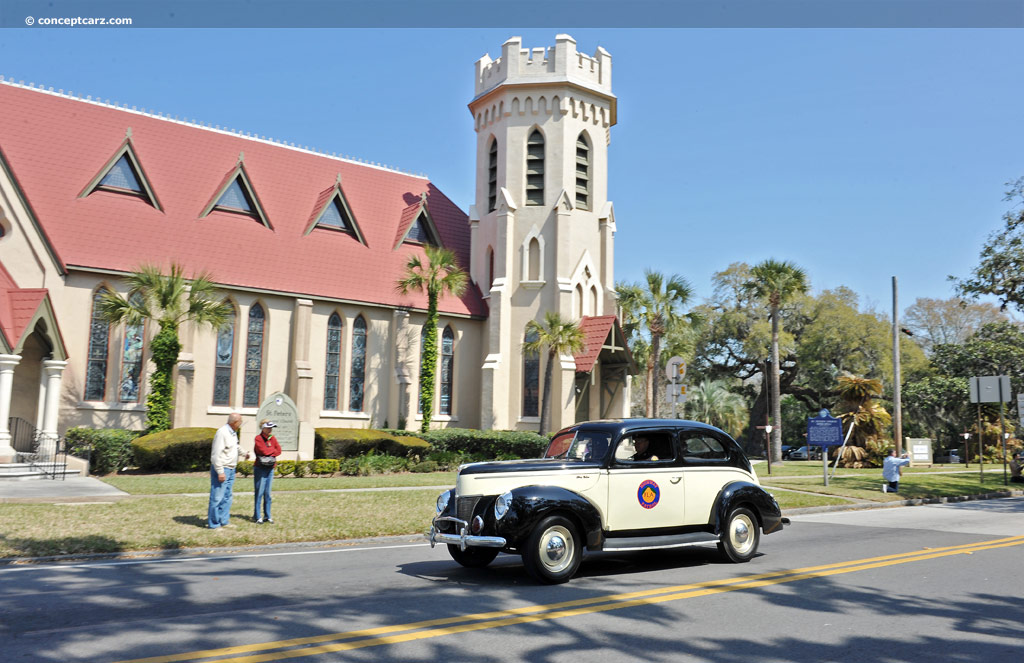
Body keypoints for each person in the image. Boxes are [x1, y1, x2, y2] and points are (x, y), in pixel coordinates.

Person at [208, 412, 248, 529]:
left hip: (231, 469)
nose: (241, 423)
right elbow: (216, 455)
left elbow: (235, 446)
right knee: (217, 497)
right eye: (240, 421)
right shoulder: (222, 433)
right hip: (223, 468)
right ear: (234, 422)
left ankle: (224, 521)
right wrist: (220, 471)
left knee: (227, 497)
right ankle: (214, 524)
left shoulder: (233, 433)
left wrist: (244, 453)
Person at [253, 419, 283, 523]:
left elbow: (279, 450)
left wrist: (270, 453)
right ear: (263, 428)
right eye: (268, 427)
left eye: (271, 428)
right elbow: (263, 451)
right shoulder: (258, 438)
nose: (270, 430)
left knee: (268, 494)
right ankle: (257, 516)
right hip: (260, 468)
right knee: (259, 493)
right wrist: (272, 452)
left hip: (270, 468)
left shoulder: (273, 438)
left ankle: (267, 515)